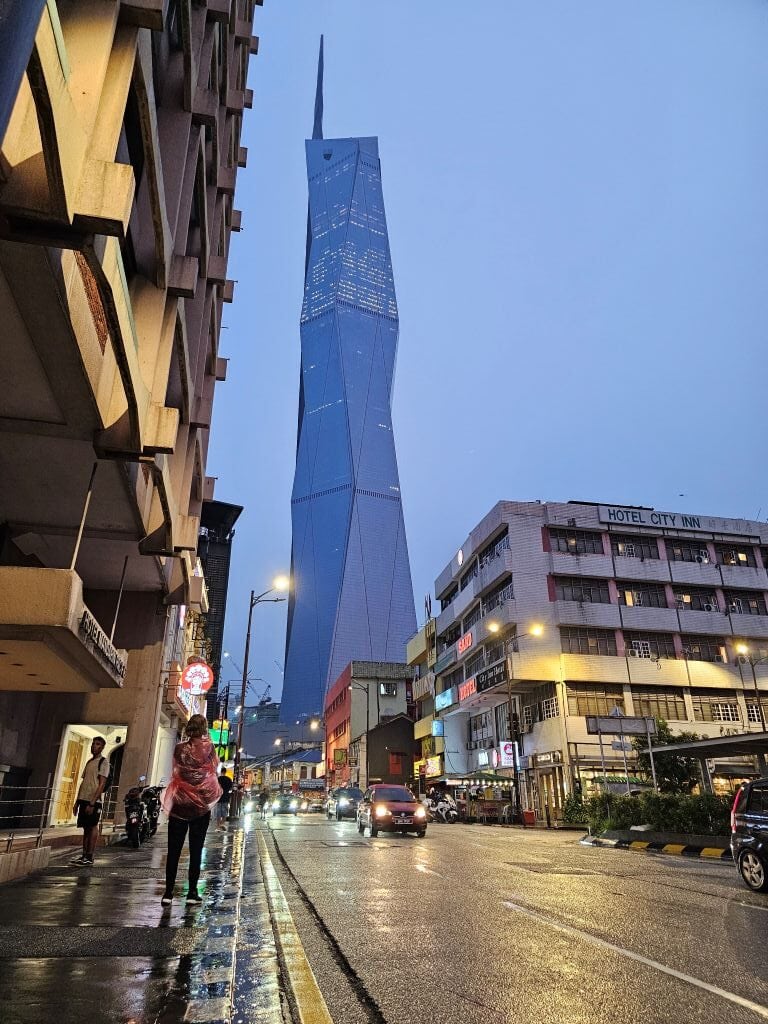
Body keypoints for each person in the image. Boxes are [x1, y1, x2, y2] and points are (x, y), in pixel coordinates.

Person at [160, 714, 222, 906]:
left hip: (179, 804)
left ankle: (168, 893)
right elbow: (213, 770)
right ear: (204, 729)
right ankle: (192, 892)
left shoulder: (179, 749)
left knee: (174, 850)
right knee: (196, 849)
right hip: (200, 806)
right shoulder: (209, 749)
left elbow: (176, 772)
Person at [70, 736, 110, 866]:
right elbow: (84, 782)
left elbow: (102, 784)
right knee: (85, 828)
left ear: (102, 747)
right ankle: (84, 855)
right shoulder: (89, 762)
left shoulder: (103, 762)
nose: (94, 746)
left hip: (94, 801)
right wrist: (77, 801)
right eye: (93, 744)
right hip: (83, 799)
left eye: (97, 744)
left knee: (92, 826)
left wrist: (93, 802)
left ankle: (89, 856)